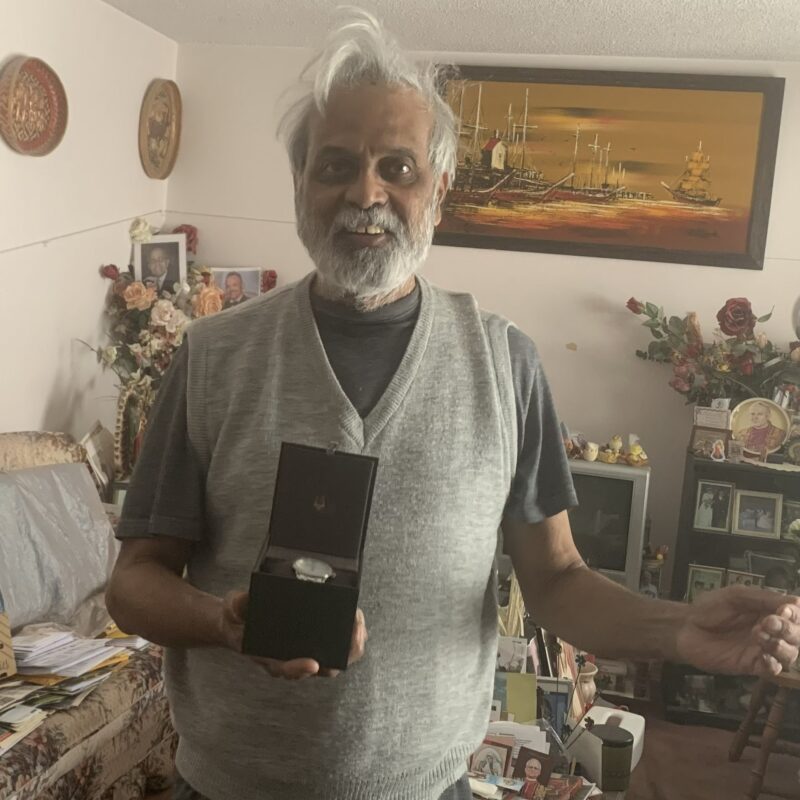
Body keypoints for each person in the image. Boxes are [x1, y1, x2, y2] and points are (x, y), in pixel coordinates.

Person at [105, 10, 800, 800]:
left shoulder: (505, 364)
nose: (365, 193)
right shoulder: (213, 355)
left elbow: (558, 579)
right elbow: (134, 581)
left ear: (438, 192)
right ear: (299, 186)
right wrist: (223, 624)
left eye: (397, 167)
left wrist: (678, 627)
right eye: (335, 165)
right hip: (229, 785)